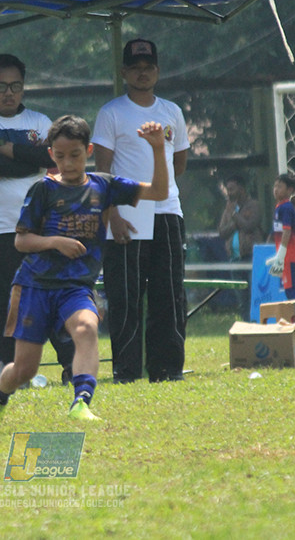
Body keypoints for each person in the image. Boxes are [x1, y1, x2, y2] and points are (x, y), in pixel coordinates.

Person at [0, 115, 169, 425]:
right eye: (60, 156)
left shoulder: (104, 185)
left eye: (75, 155)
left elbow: (159, 192)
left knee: (86, 328)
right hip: (35, 286)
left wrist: (158, 148)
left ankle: (81, 402)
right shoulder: (42, 189)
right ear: (51, 154)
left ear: (89, 151)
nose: (67, 163)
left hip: (76, 287)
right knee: (25, 369)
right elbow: (21, 241)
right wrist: (56, 242)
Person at [0, 53, 75, 380]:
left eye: (15, 86)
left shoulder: (40, 121)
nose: (8, 93)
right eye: (1, 86)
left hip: (42, 226)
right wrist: (32, 160)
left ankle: (71, 366)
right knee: (9, 299)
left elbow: (54, 157)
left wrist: (12, 150)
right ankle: (10, 370)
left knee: (50, 294)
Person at [93, 38, 190, 384]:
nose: (142, 73)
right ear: (124, 72)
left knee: (169, 292)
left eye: (148, 67)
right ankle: (127, 369)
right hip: (127, 211)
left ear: (158, 71)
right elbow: (102, 171)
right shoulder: (111, 113)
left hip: (167, 210)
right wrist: (113, 215)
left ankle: (167, 368)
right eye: (135, 68)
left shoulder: (172, 111)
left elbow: (179, 163)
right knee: (126, 294)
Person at [267, 172, 295, 300]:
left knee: (292, 291)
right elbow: (276, 232)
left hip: (292, 254)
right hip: (286, 255)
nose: (276, 189)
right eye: (275, 186)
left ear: (289, 190)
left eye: (280, 186)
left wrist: (281, 253)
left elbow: (287, 231)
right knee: (289, 291)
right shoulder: (279, 207)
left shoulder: (287, 207)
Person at [217, 174, 262, 262]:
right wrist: (236, 224)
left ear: (241, 189)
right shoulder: (229, 208)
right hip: (233, 257)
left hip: (250, 255)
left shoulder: (254, 206)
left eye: (231, 190)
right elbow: (222, 233)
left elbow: (249, 227)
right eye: (228, 190)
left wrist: (234, 214)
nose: (229, 193)